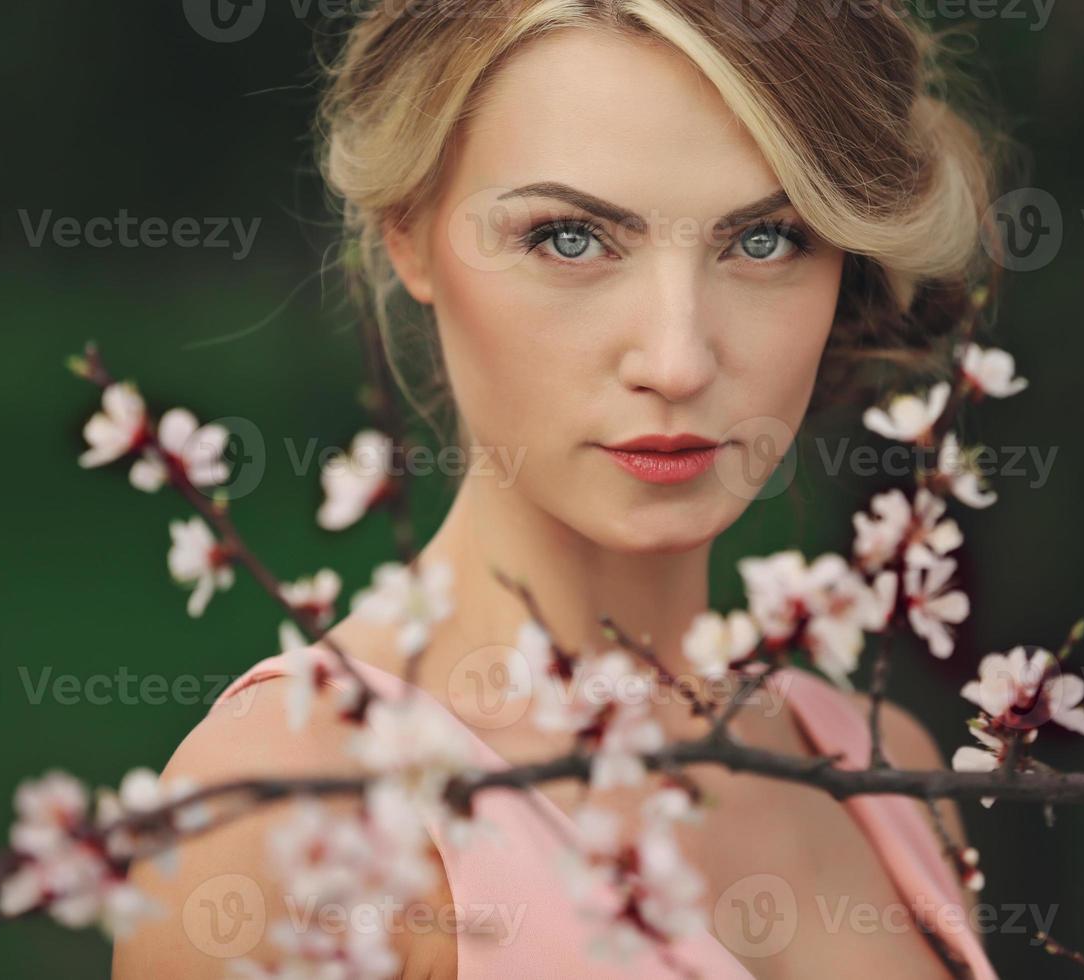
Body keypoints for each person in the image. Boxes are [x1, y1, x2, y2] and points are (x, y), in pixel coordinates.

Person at [114, 1, 1006, 976]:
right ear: (406, 232)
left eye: (765, 240)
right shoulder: (287, 809)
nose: (675, 358)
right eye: (571, 238)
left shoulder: (881, 769)